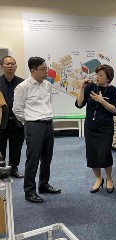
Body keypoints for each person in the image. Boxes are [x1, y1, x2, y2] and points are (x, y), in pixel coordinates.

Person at [13, 57, 61, 203]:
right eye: (43, 69)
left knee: (47, 157)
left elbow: (48, 103)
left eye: (46, 68)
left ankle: (44, 185)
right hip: (33, 125)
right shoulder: (23, 87)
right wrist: (29, 122)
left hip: (48, 123)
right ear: (33, 70)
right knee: (33, 159)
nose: (46, 71)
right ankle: (29, 191)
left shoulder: (47, 85)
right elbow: (17, 109)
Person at [75, 64, 116, 193]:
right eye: (97, 75)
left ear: (108, 78)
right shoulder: (90, 87)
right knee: (92, 154)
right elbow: (79, 104)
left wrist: (102, 101)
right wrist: (82, 89)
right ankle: (98, 179)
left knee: (105, 153)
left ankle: (109, 179)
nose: (97, 77)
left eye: (100, 75)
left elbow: (114, 110)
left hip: (105, 127)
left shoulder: (113, 91)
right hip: (90, 127)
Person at [0, 56, 25, 178]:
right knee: (1, 147)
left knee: (16, 146)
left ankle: (14, 168)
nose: (10, 66)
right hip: (1, 121)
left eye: (12, 64)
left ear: (16, 66)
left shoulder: (22, 83)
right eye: (7, 64)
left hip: (17, 120)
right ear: (2, 66)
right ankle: (1, 168)